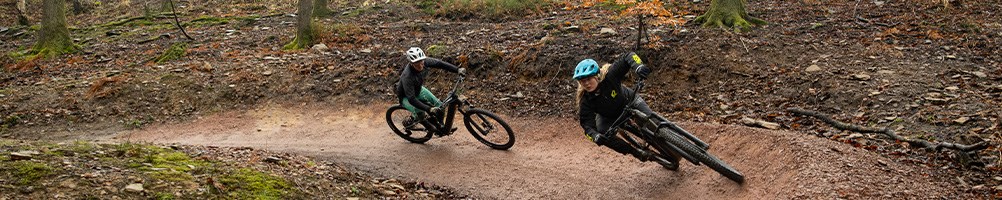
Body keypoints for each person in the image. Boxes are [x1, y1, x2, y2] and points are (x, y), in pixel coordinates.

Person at [573, 52, 677, 168]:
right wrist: (595, 136)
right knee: (603, 134)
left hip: (630, 102)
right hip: (609, 116)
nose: (586, 84)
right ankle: (636, 152)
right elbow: (587, 126)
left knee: (652, 122)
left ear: (596, 76)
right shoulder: (585, 101)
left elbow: (628, 56)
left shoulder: (610, 76)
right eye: (582, 81)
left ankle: (675, 139)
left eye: (589, 79)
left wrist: (638, 66)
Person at [395, 47, 465, 135]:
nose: (420, 65)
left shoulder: (424, 62)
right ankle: (420, 122)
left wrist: (457, 69)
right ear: (411, 63)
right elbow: (411, 99)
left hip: (419, 89)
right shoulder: (407, 76)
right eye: (417, 63)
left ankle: (441, 127)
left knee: (440, 106)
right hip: (406, 97)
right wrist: (429, 108)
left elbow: (440, 63)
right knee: (421, 112)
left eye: (421, 61)